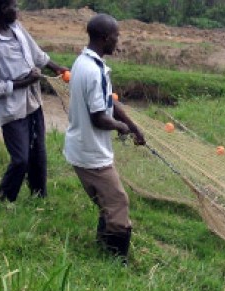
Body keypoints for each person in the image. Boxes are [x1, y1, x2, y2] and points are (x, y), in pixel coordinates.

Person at [64, 13, 145, 263]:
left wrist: (133, 126)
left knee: (107, 203)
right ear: (105, 37)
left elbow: (108, 101)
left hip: (81, 148)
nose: (118, 41)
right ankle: (115, 261)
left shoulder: (83, 62)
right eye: (116, 36)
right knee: (118, 202)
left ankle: (102, 249)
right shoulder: (94, 70)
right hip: (91, 154)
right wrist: (121, 127)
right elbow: (99, 117)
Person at [0, 0, 68, 202]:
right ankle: (4, 198)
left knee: (38, 153)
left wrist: (58, 68)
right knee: (20, 159)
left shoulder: (16, 27)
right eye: (13, 7)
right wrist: (25, 82)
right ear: (1, 9)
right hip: (12, 107)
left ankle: (39, 195)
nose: (17, 10)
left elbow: (37, 54)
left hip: (33, 101)